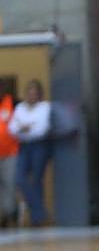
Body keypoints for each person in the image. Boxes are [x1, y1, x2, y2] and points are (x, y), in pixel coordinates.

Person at [11, 80, 53, 227]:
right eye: (29, 92)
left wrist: (23, 126)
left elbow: (41, 129)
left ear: (39, 94)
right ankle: (40, 211)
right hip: (23, 146)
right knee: (19, 179)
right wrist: (26, 127)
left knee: (36, 180)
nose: (32, 95)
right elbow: (12, 129)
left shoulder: (45, 107)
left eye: (35, 92)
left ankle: (37, 219)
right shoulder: (20, 107)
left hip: (39, 146)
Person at [0, 86, 19, 228]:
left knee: (10, 184)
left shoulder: (12, 102)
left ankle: (11, 213)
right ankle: (4, 215)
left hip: (10, 153)